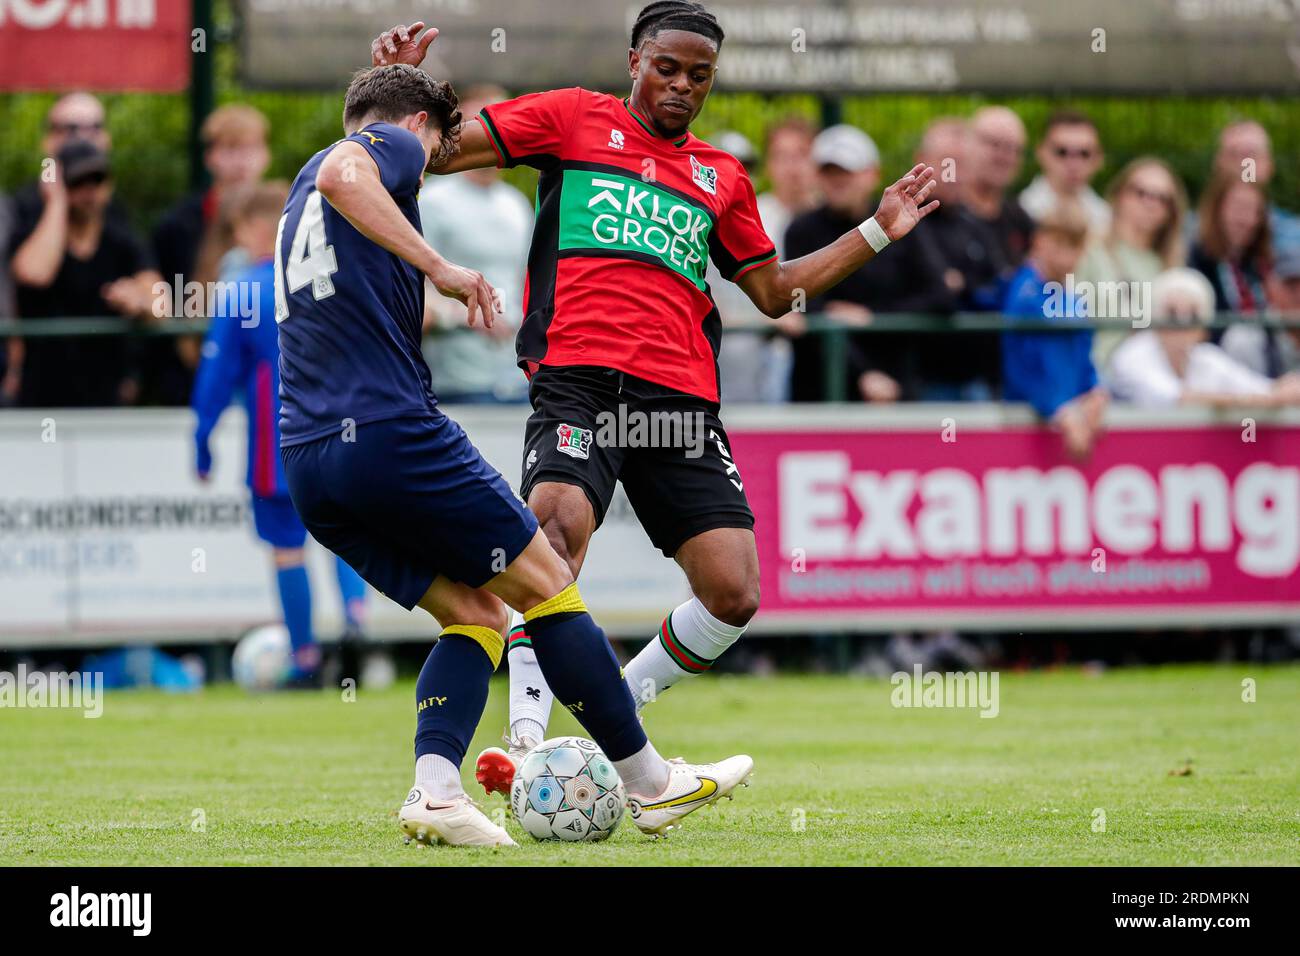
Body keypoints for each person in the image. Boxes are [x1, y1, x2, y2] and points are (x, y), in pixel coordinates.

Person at [368, 6, 939, 795]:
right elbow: (437, 150)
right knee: (554, 533)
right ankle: (525, 739)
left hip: (680, 400)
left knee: (734, 593)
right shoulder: (571, 118)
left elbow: (774, 293)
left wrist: (877, 230)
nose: (681, 86)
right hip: (579, 378)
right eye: (667, 67)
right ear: (635, 60)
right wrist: (397, 92)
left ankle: (613, 727)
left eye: (698, 75)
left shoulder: (723, 176)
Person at [275, 59, 754, 845]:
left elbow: (342, 167)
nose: (431, 171)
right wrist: (443, 270)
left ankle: (436, 793)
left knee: (476, 612)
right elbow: (351, 168)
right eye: (433, 152)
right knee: (549, 586)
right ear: (414, 128)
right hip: (392, 433)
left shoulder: (302, 187)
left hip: (312, 458)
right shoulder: (383, 146)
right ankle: (650, 782)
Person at [191, 182, 370, 687]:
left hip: (279, 450)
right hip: (341, 441)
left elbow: (214, 377)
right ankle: (355, 620)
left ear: (254, 230)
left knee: (288, 548)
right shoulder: (329, 284)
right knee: (345, 540)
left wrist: (201, 439)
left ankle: (305, 657)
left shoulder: (244, 290)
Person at [783, 123, 951, 402]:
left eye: (847, 172)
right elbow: (800, 305)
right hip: (819, 394)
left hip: (897, 386)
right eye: (829, 172)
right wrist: (863, 373)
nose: (838, 181)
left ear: (873, 174)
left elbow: (940, 297)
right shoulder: (801, 230)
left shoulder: (903, 223)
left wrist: (873, 316)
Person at [6, 139, 160, 407]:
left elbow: (160, 302)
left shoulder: (123, 241)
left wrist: (138, 302)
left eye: (97, 180)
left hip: (105, 398)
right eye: (78, 182)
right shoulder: (31, 232)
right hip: (40, 397)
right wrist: (55, 203)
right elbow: (34, 273)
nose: (89, 191)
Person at [418, 85, 534, 404]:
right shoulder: (433, 201)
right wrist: (465, 318)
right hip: (455, 385)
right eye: (480, 127)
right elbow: (412, 285)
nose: (491, 136)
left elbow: (523, 282)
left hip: (514, 381)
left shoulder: (516, 205)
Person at [152, 105, 273, 406]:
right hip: (196, 375)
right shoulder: (177, 226)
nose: (242, 162)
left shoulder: (286, 212)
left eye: (251, 148)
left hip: (265, 376)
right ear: (211, 157)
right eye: (232, 149)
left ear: (266, 155)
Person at [1001, 203, 1108, 461]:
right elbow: (1021, 369)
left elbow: (1084, 358)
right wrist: (1061, 410)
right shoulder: (1023, 295)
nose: (1069, 257)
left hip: (1071, 421)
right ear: (1039, 241)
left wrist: (1094, 391)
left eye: (1076, 247)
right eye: (1060, 245)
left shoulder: (1072, 298)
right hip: (1028, 426)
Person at [1107, 268, 1300, 408]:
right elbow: (1177, 399)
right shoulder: (1134, 353)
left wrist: (1284, 390)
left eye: (1192, 314)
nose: (1182, 323)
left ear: (1203, 329)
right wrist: (1270, 399)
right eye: (1172, 313)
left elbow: (1263, 389)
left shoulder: (1205, 358)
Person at [908, 117, 1003, 399]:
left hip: (976, 379)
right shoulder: (900, 223)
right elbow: (939, 294)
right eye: (946, 162)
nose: (954, 173)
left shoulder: (974, 224)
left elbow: (999, 286)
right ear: (920, 161)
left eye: (962, 163)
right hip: (919, 378)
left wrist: (963, 285)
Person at [1077, 157, 1188, 368]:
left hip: (1158, 372)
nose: (1150, 203)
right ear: (1119, 195)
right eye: (1140, 192)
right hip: (1102, 370)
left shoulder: (1172, 267)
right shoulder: (1089, 250)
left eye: (1162, 198)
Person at [1189, 175, 1281, 381]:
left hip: (1262, 364)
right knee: (1242, 337)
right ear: (1218, 209)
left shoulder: (1258, 262)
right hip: (1215, 364)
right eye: (1239, 208)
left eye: (1255, 211)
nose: (1247, 219)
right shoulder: (1196, 258)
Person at [964, 105, 1034, 270]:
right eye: (994, 144)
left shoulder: (1021, 221)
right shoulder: (937, 215)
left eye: (1013, 149)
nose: (1004, 156)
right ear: (966, 144)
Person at [1019, 110, 1110, 235]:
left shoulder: (1107, 216)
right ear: (1041, 153)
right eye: (1062, 152)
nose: (1073, 163)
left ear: (1099, 158)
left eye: (1084, 153)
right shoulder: (1022, 211)